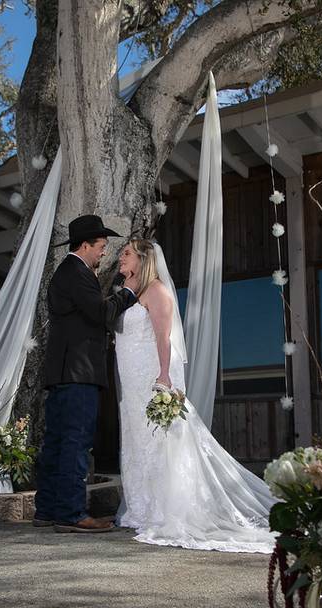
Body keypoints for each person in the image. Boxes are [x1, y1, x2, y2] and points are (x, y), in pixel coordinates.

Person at [113, 238, 279, 553]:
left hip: (152, 374)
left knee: (160, 441)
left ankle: (167, 509)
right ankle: (142, 508)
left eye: (126, 254)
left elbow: (164, 337)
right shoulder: (127, 295)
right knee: (138, 440)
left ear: (144, 260)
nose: (120, 258)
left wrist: (163, 375)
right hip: (131, 383)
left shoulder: (157, 291)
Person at [35, 215, 140, 533]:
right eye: (101, 247)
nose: (104, 253)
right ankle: (71, 514)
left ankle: (48, 510)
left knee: (56, 443)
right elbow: (102, 314)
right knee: (75, 443)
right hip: (78, 372)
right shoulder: (77, 273)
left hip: (63, 373)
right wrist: (128, 292)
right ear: (84, 245)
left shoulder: (66, 273)